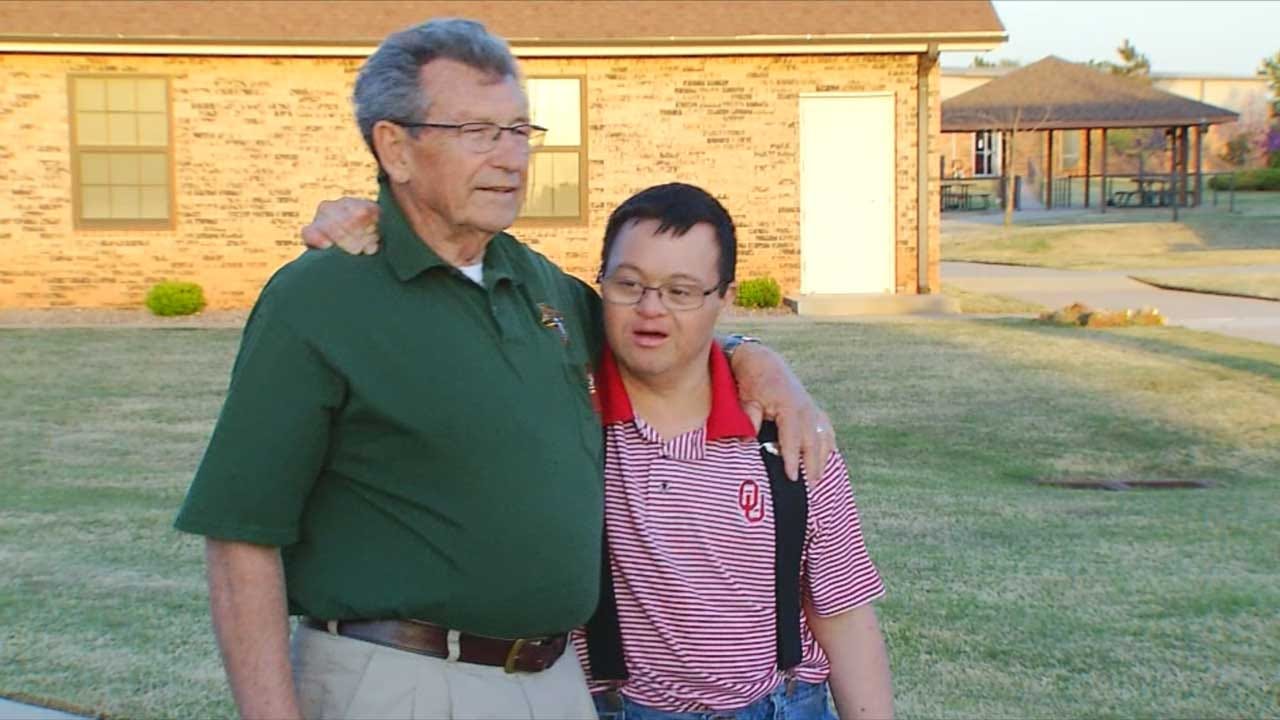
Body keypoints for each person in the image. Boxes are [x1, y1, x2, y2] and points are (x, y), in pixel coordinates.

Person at [176, 18, 833, 720]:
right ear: (395, 148)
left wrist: (753, 356)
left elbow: (659, 331)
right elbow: (241, 539)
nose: (512, 159)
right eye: (478, 132)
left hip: (555, 682)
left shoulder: (537, 286)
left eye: (520, 131)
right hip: (402, 681)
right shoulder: (320, 299)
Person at [574, 183, 893, 719]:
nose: (651, 308)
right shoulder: (571, 427)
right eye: (629, 284)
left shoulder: (788, 433)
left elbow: (841, 613)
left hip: (782, 704)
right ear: (601, 282)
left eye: (681, 291)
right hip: (623, 706)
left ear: (724, 297)